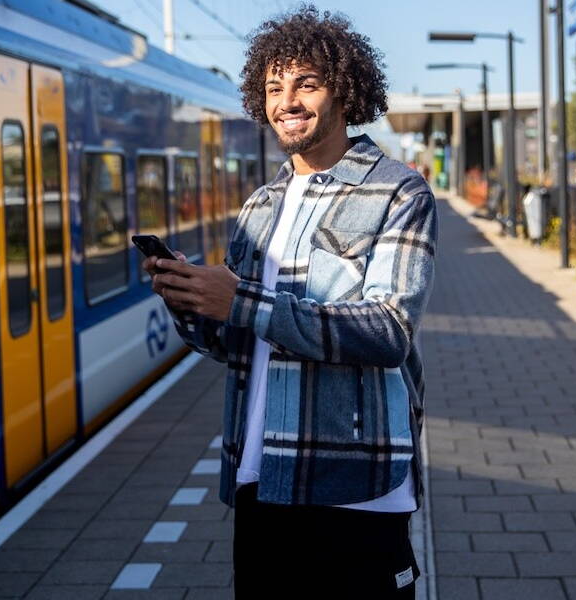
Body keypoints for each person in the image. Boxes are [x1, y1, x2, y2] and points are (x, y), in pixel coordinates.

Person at [143, 6, 437, 598]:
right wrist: (193, 302)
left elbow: (387, 332)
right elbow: (237, 344)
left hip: (355, 485)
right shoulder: (261, 204)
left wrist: (244, 301)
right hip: (260, 478)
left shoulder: (398, 191)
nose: (287, 101)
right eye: (274, 87)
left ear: (345, 90)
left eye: (306, 83)